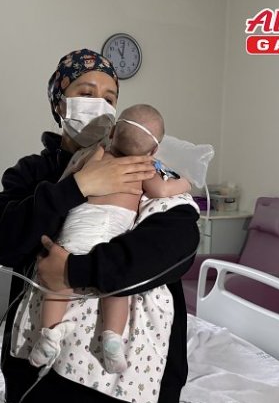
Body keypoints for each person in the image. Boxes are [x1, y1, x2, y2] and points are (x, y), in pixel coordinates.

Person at [0, 48, 199, 403]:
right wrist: (77, 186)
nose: (99, 104)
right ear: (59, 103)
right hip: (41, 378)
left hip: (132, 380)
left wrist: (73, 270)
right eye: (86, 92)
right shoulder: (34, 172)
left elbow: (176, 246)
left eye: (109, 98)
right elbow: (2, 239)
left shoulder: (147, 168)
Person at [27, 104, 192, 375]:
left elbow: (69, 176)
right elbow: (163, 191)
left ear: (113, 132)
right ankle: (112, 339)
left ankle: (49, 335)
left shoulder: (96, 153)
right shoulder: (145, 168)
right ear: (154, 150)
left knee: (56, 286)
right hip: (110, 238)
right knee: (116, 288)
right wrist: (186, 183)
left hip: (77, 231)